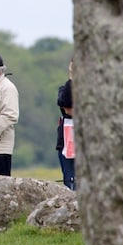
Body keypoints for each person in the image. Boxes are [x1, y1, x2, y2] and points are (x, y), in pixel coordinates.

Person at [56, 59, 75, 190]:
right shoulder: (65, 89)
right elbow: (68, 108)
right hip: (67, 147)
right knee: (71, 185)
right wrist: (72, 79)